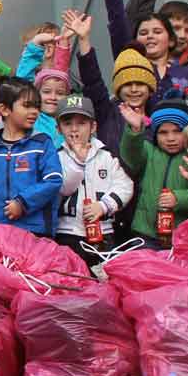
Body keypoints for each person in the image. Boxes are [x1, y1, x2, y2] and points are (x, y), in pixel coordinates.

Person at [92, 0, 188, 107]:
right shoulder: (131, 63)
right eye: (143, 33)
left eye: (157, 31)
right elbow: (119, 22)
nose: (150, 36)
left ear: (170, 39)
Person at [0, 77, 62, 237]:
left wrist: (23, 202)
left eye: (36, 106)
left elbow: (53, 180)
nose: (35, 111)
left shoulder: (42, 143)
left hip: (36, 232)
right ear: (5, 109)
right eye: (27, 106)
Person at [53, 94, 131, 262]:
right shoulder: (55, 157)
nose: (74, 129)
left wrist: (104, 206)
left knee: (103, 279)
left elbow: (125, 185)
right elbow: (64, 187)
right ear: (58, 129)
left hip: (104, 232)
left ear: (93, 126)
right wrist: (79, 162)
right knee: (73, 279)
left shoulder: (107, 155)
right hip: (68, 232)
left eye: (81, 123)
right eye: (67, 124)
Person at [119, 99, 188, 250]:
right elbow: (130, 154)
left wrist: (179, 198)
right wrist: (135, 131)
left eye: (177, 131)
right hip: (145, 232)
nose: (170, 138)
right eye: (163, 132)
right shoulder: (148, 152)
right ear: (155, 134)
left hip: (182, 235)